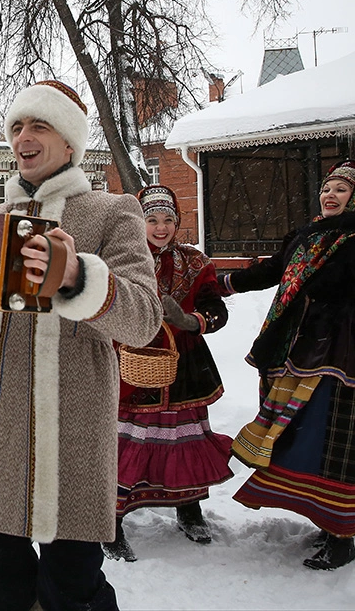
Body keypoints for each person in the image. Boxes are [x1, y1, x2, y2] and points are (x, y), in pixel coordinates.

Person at [0, 80, 162, 611]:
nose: (24, 136)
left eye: (39, 125)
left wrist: (75, 278)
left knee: (72, 591)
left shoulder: (113, 213)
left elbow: (144, 322)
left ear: (69, 142)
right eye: (17, 126)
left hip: (70, 430)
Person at [221, 159, 355, 570]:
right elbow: (271, 271)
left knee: (335, 441)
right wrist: (218, 284)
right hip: (295, 349)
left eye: (341, 189)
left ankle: (341, 537)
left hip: (344, 353)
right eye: (327, 188)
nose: (330, 195)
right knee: (300, 438)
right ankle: (322, 518)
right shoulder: (306, 235)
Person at [104, 184, 232, 563]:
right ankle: (111, 521)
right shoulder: (121, 261)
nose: (160, 227)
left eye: (168, 220)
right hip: (130, 366)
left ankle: (189, 508)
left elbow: (216, 311)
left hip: (183, 369)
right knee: (127, 443)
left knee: (183, 440)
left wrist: (190, 320)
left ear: (177, 222)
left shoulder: (195, 262)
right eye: (151, 219)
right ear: (138, 222)